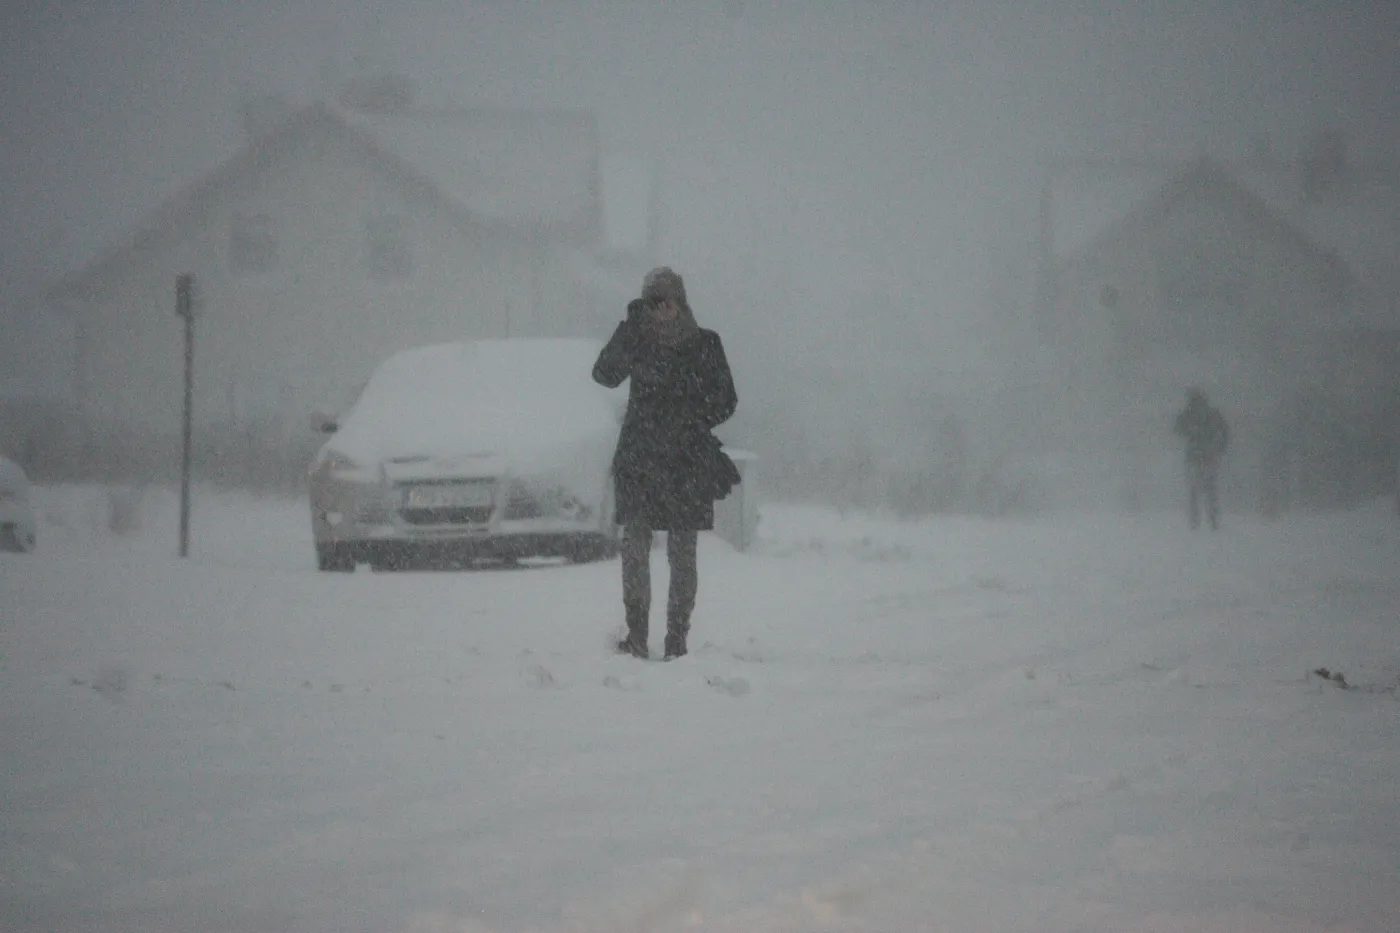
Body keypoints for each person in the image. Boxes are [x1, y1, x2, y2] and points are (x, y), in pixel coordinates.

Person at [592, 267, 739, 660]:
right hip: (640, 458)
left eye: (668, 298)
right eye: (653, 300)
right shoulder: (637, 339)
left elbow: (726, 399)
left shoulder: (705, 344)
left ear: (681, 300)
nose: (662, 307)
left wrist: (691, 419)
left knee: (682, 553)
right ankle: (637, 635)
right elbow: (604, 374)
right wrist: (629, 328)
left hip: (686, 460)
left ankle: (677, 638)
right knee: (634, 549)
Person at [1173, 387, 1229, 530]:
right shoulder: (1212, 414)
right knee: (1210, 490)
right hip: (1209, 456)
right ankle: (1212, 520)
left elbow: (1177, 429)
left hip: (1194, 457)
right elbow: (1224, 432)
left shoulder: (1190, 414)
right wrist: (1219, 449)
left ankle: (1195, 521)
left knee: (1195, 491)